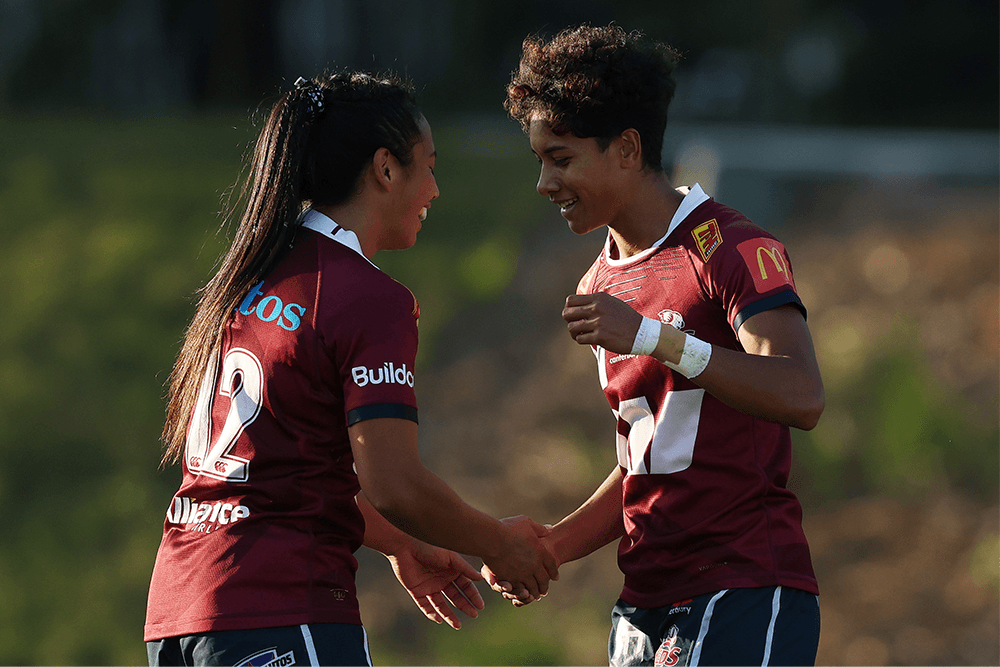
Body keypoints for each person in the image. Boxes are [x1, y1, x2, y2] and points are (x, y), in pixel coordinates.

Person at [144, 71, 557, 667]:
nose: (435, 190)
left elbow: (278, 477)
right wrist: (502, 546)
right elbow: (394, 484)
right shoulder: (366, 297)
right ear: (386, 169)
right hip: (283, 615)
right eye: (429, 166)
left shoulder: (245, 280)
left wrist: (400, 546)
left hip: (176, 618)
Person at [485, 25, 825, 667]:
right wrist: (551, 548)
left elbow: (801, 393)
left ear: (626, 149)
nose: (543, 182)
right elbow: (647, 461)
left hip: (742, 588)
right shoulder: (599, 282)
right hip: (643, 603)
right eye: (539, 160)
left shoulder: (728, 247)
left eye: (560, 158)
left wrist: (653, 339)